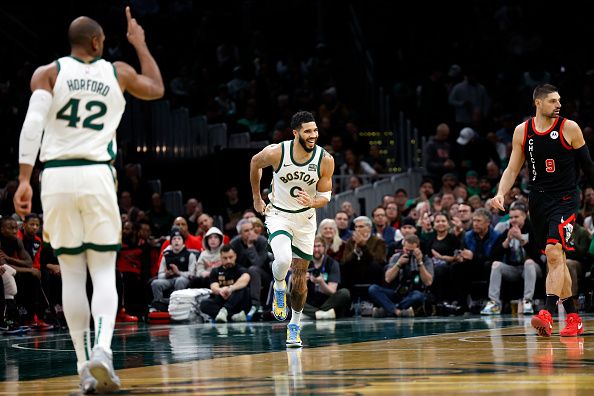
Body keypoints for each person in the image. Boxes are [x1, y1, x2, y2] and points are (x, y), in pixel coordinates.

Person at [12, 7, 164, 393]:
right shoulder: (118, 72)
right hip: (97, 174)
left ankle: (83, 366)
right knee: (101, 270)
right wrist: (140, 44)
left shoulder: (49, 72)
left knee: (73, 274)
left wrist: (24, 180)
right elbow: (157, 87)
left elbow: (32, 124)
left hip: (57, 176)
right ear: (97, 42)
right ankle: (102, 351)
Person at [491, 84, 592, 337]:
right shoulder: (522, 131)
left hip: (566, 199)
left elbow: (589, 166)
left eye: (560, 100)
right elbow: (512, 169)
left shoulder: (569, 128)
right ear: (538, 103)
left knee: (554, 253)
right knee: (555, 259)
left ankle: (546, 312)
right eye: (553, 101)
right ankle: (573, 317)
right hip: (537, 201)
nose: (558, 105)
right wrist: (500, 192)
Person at [250, 110, 334, 347]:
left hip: (305, 220)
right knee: (284, 259)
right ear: (296, 133)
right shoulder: (277, 152)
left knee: (299, 280)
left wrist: (313, 201)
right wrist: (257, 198)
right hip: (278, 215)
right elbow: (255, 163)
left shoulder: (325, 159)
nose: (313, 135)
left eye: (315, 130)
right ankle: (278, 285)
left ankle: (294, 326)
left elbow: (325, 196)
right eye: (308, 131)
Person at [199, 245, 251, 323]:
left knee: (243, 289)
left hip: (238, 302)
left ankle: (225, 311)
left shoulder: (241, 269)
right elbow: (213, 287)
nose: (228, 260)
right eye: (225, 258)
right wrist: (221, 290)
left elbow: (246, 278)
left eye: (231, 257)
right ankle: (232, 316)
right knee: (204, 304)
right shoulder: (215, 271)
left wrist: (231, 289)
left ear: (235, 256)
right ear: (220, 258)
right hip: (223, 300)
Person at [303, 237, 351, 320]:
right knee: (286, 295)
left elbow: (332, 291)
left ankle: (311, 314)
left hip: (327, 302)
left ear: (324, 248)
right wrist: (302, 281)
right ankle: (320, 314)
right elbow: (297, 291)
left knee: (345, 293)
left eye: (319, 246)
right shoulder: (304, 263)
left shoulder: (332, 263)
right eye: (313, 247)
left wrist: (321, 282)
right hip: (309, 301)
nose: (316, 249)